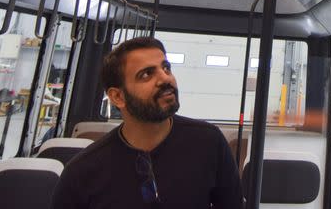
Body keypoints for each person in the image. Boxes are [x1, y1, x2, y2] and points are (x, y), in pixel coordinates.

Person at [52, 37, 243, 208]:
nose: (164, 78)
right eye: (146, 74)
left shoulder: (208, 142)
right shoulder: (82, 172)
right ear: (117, 96)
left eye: (166, 67)